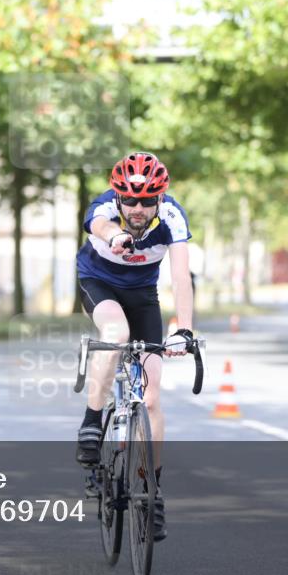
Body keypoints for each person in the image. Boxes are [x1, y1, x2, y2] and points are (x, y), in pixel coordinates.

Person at [74, 151, 195, 542]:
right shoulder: (107, 208)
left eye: (147, 200)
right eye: (130, 200)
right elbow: (98, 223)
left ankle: (153, 492)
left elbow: (179, 276)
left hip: (143, 295)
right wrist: (115, 235)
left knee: (154, 393)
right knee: (116, 334)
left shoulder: (173, 218)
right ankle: (92, 422)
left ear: (161, 198)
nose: (138, 208)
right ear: (119, 196)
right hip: (100, 285)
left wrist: (185, 330)